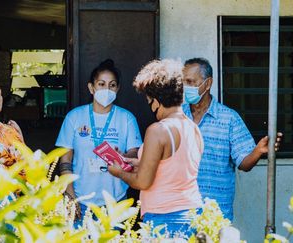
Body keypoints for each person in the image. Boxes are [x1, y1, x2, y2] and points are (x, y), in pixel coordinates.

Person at [108, 59, 203, 238]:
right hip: (192, 213)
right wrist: (136, 163)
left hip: (164, 217)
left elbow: (143, 182)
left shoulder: (158, 130)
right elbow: (174, 167)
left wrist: (119, 172)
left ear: (156, 100)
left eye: (148, 100)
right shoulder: (193, 128)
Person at [182, 57, 282, 220]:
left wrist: (258, 151)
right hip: (181, 212)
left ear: (208, 84)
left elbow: (244, 164)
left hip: (214, 215)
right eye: (183, 82)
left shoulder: (229, 119)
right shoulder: (177, 116)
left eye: (190, 82)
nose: (185, 87)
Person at [56, 59, 142, 225]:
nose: (107, 89)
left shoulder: (126, 118)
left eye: (112, 85)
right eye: (101, 84)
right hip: (80, 200)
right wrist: (70, 196)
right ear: (91, 87)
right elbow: (65, 160)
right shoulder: (74, 117)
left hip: (114, 202)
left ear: (118, 89)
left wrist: (122, 156)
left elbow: (134, 153)